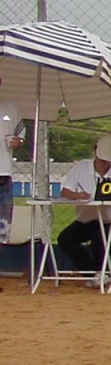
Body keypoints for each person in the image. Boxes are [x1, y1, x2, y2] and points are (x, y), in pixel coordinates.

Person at [56, 134, 111, 285]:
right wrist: (78, 195)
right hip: (87, 219)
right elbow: (65, 191)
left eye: (107, 161)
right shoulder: (81, 167)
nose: (104, 164)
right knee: (66, 238)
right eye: (101, 160)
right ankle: (93, 273)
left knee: (100, 237)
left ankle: (100, 273)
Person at [0, 76, 24, 244]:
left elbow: (20, 135)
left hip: (3, 173)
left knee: (3, 227)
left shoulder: (11, 109)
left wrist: (17, 141)